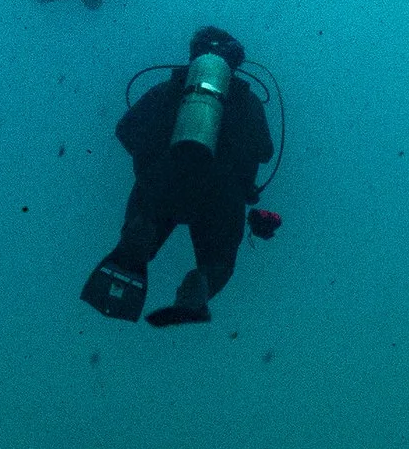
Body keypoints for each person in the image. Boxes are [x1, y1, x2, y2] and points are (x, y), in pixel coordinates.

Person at [80, 25, 279, 328]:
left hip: (163, 183)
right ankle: (197, 288)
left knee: (140, 233)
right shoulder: (247, 102)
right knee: (218, 263)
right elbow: (265, 150)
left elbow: (126, 129)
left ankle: (139, 239)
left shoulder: (170, 89)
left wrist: (149, 165)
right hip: (220, 196)